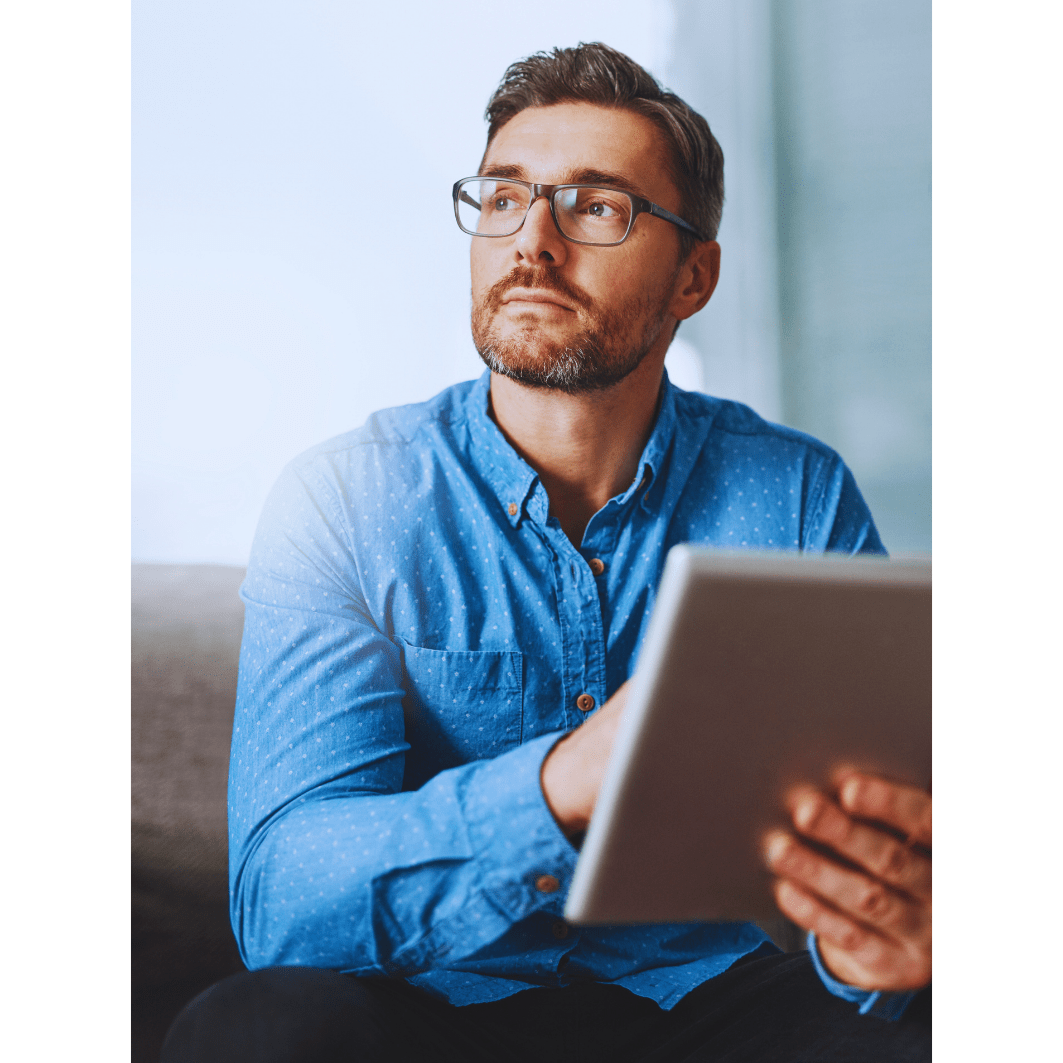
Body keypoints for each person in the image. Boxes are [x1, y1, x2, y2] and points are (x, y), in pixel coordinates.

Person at [162, 42, 931, 1062]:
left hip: (719, 1000)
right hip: (440, 1009)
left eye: (596, 205)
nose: (532, 241)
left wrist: (880, 944)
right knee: (249, 1031)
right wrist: (563, 779)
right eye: (503, 195)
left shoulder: (793, 491)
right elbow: (287, 902)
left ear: (693, 274)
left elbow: (872, 837)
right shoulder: (342, 497)